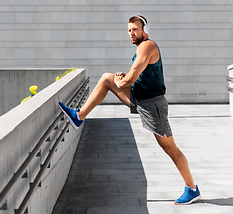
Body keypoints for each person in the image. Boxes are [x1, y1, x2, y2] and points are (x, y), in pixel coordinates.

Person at [58, 15, 201, 205]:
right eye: (129, 30)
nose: (131, 33)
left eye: (135, 29)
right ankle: (79, 116)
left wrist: (123, 81)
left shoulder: (148, 46)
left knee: (170, 149)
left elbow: (133, 77)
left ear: (145, 30)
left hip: (153, 105)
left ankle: (192, 188)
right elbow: (138, 75)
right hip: (140, 97)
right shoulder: (141, 48)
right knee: (106, 79)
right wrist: (122, 79)